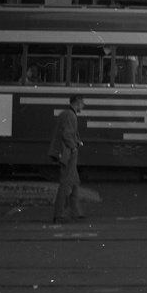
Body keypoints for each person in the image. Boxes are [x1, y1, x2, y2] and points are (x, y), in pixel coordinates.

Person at [48, 95, 85, 224]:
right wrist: (74, 147)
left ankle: (76, 212)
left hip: (67, 152)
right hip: (69, 154)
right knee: (67, 183)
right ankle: (59, 214)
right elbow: (67, 134)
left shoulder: (66, 114)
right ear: (77, 103)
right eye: (82, 104)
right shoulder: (70, 115)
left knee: (74, 181)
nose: (83, 106)